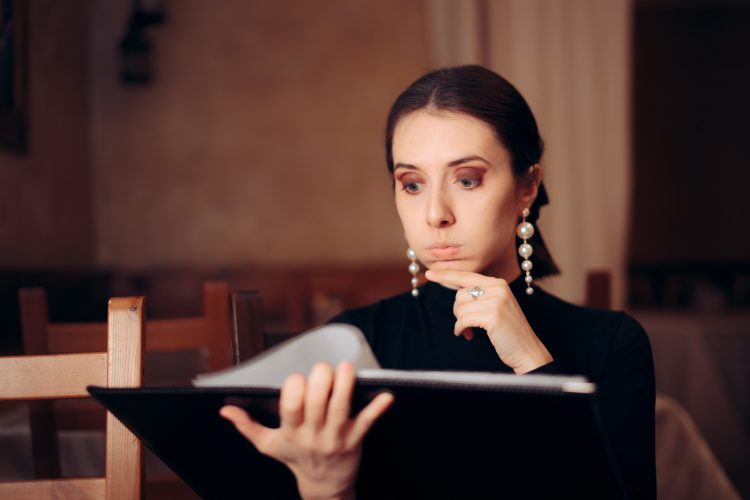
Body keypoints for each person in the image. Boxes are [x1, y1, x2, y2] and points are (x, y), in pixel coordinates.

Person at [220, 65, 656, 499]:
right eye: (412, 185)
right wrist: (325, 489)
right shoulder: (349, 345)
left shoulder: (614, 344)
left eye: (467, 180)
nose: (435, 214)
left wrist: (531, 362)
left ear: (527, 186)